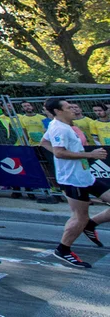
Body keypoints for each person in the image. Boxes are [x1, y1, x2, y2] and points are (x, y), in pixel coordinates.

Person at [43, 96, 110, 268]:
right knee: (79, 217)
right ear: (58, 111)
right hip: (73, 180)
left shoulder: (63, 126)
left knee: (83, 218)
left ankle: (91, 224)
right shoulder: (60, 129)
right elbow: (59, 152)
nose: (73, 109)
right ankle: (63, 250)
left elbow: (44, 142)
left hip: (85, 176)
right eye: (68, 107)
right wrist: (90, 155)